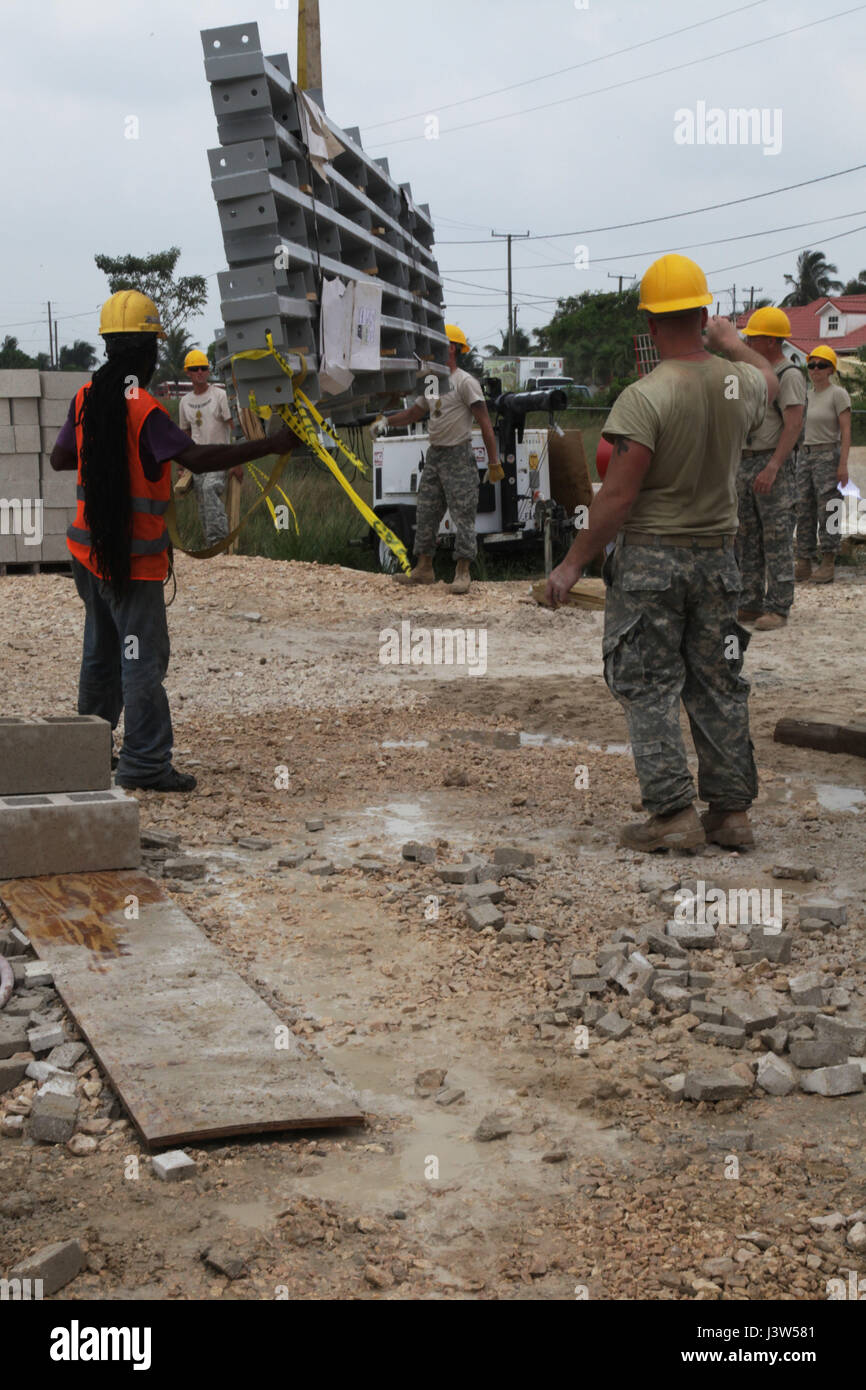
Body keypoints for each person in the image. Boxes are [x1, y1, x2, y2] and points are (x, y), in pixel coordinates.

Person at [546, 254, 778, 853]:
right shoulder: (738, 382)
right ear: (703, 314)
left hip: (652, 564)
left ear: (650, 324)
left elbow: (617, 499)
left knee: (648, 684)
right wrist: (732, 342)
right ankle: (730, 816)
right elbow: (772, 381)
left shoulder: (643, 398)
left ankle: (672, 817)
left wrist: (571, 565)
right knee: (719, 683)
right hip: (719, 563)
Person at [50, 290, 297, 793]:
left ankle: (88, 753)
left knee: (100, 653)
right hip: (130, 564)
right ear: (146, 351)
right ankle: (143, 762)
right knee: (140, 658)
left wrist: (104, 458)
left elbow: (60, 459)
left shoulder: (85, 399)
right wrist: (271, 444)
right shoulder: (142, 408)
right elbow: (199, 459)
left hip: (85, 555)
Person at [368, 323, 502, 594]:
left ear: (450, 348)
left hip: (458, 455)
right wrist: (386, 421)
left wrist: (494, 462)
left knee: (463, 514)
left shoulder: (465, 382)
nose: (430, 352)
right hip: (435, 455)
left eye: (437, 346)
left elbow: (485, 422)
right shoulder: (430, 381)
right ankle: (424, 569)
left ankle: (463, 572)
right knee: (426, 512)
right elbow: (413, 414)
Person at [735, 307, 806, 631]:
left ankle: (778, 606)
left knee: (776, 537)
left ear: (770, 340)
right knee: (746, 537)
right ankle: (749, 602)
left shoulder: (787, 374)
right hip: (747, 461)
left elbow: (793, 424)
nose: (748, 340)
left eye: (753, 335)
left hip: (769, 462)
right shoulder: (758, 374)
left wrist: (774, 466)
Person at [795, 344, 851, 584]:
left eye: (821, 365)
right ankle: (804, 561)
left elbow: (847, 430)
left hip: (828, 454)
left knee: (829, 510)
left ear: (831, 370)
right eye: (811, 365)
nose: (815, 369)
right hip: (805, 457)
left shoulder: (838, 394)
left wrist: (843, 464)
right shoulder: (806, 395)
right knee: (804, 509)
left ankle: (828, 561)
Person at [177, 348, 239, 547]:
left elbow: (234, 428)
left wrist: (237, 462)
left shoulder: (219, 395)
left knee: (209, 488)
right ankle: (210, 546)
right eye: (195, 369)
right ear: (188, 372)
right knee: (203, 502)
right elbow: (185, 434)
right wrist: (182, 464)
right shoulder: (185, 402)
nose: (200, 372)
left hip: (219, 456)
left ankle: (219, 543)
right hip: (197, 460)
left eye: (203, 368)